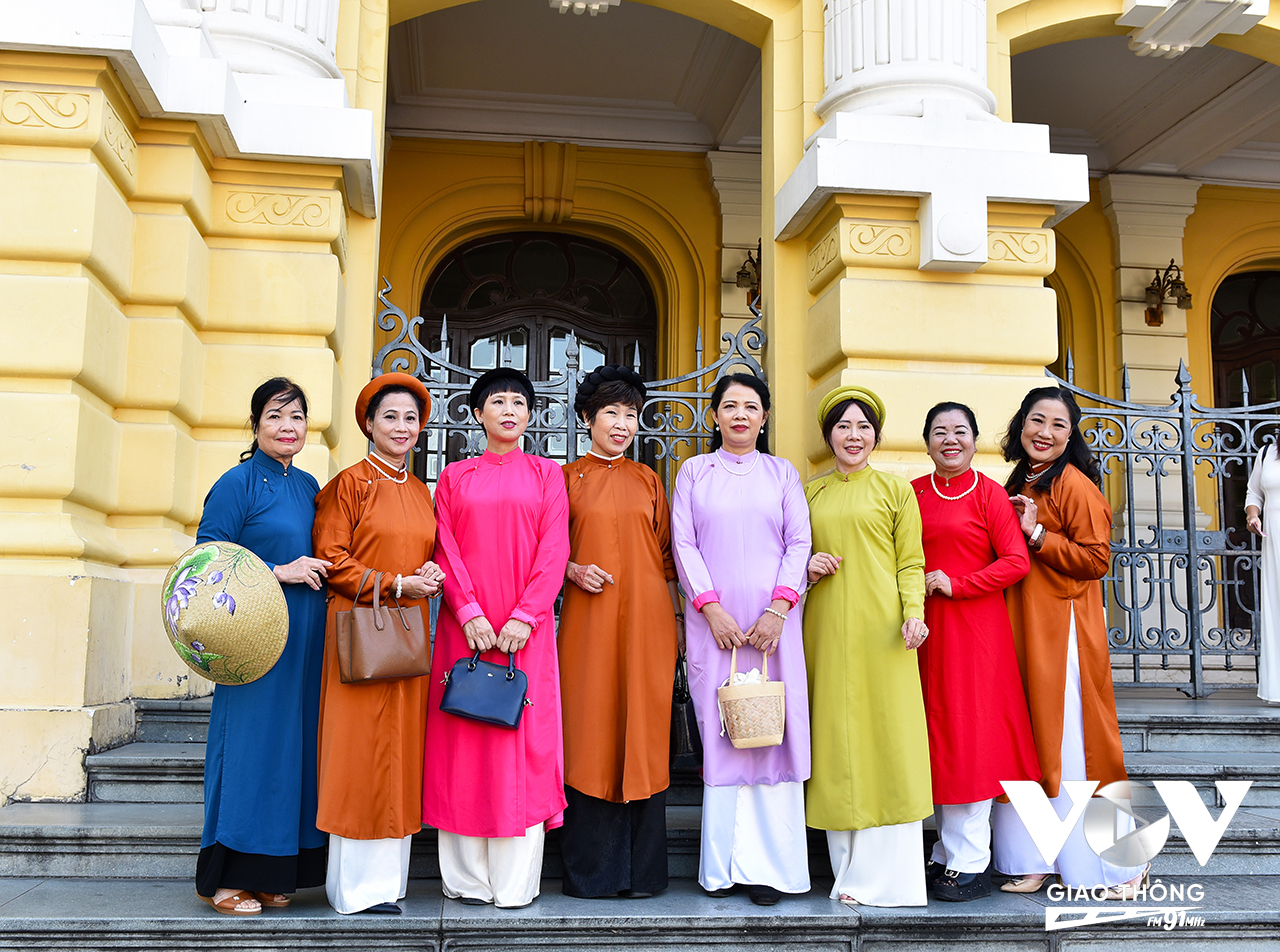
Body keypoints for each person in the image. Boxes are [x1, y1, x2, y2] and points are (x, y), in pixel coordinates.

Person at [423, 367, 571, 909]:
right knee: (464, 744)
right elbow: (444, 549)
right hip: (465, 633)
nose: (509, 410)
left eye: (518, 402)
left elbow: (554, 551)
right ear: (477, 413)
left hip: (525, 634)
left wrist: (525, 616)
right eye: (497, 402)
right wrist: (468, 612)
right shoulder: (455, 477)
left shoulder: (547, 476)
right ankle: (464, 880)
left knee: (520, 745)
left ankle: (513, 882)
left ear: (530, 415)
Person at [992, 386, 1148, 897]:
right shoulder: (1018, 480)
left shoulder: (1075, 485)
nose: (1045, 432)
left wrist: (1039, 537)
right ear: (1020, 426)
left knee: (1074, 747)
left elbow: (1096, 560)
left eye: (1059, 425)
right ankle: (1037, 857)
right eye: (1036, 420)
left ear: (1071, 434)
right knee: (1029, 744)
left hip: (1065, 634)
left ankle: (1118, 865)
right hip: (1022, 628)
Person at [670, 373, 811, 907]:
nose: (740, 415)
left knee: (772, 731)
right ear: (713, 417)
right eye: (729, 406)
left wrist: (778, 607)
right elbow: (683, 543)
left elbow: (799, 540)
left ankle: (773, 870)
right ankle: (724, 869)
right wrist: (710, 608)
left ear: (765, 418)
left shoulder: (782, 474)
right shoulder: (693, 473)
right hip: (716, 628)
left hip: (775, 626)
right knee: (727, 730)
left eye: (751, 407)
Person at [194, 377, 331, 915]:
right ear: (256, 425)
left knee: (292, 753)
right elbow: (206, 561)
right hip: (251, 640)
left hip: (306, 640)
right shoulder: (236, 483)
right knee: (248, 751)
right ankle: (227, 879)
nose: (287, 427)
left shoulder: (308, 487)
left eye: (296, 416)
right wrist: (280, 570)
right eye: (275, 416)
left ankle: (275, 873)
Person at [312, 371, 445, 915]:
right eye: (389, 416)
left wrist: (428, 573)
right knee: (357, 754)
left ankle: (389, 885)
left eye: (410, 418)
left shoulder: (420, 490)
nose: (401, 427)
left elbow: (426, 552)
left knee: (400, 751)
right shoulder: (348, 484)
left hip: (409, 635)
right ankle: (353, 889)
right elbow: (332, 559)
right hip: (360, 633)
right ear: (368, 423)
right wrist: (395, 584)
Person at [803, 385, 930, 907]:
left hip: (885, 632)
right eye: (842, 427)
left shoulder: (896, 491)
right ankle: (846, 874)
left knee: (887, 741)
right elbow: (787, 553)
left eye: (863, 427)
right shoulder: (810, 491)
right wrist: (806, 568)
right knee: (835, 742)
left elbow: (911, 561)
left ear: (876, 435)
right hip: (825, 629)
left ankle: (889, 878)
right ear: (828, 435)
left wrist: (914, 614)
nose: (853, 436)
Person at [558, 365, 682, 899]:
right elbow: (546, 550)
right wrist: (571, 570)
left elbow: (667, 557)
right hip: (588, 625)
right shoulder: (563, 479)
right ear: (587, 417)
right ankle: (593, 874)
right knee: (589, 730)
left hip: (649, 624)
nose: (622, 424)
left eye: (631, 414)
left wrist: (676, 625)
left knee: (645, 733)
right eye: (611, 412)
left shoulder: (649, 480)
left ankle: (644, 875)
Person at [910, 401, 1041, 902]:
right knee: (936, 738)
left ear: (974, 439)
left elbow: (1015, 562)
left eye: (960, 431)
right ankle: (946, 853)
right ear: (926, 442)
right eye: (939, 431)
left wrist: (958, 583)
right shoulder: (913, 493)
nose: (950, 440)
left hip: (976, 632)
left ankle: (970, 862)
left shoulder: (990, 494)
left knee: (972, 740)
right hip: (924, 633)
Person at [1246, 443, 1280, 701]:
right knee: (1275, 607)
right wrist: (1253, 517)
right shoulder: (1268, 452)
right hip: (1274, 539)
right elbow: (1253, 494)